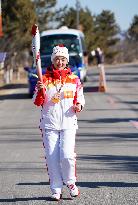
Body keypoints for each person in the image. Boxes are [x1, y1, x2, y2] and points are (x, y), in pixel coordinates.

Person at [33, 44, 85, 201]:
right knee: (52, 157)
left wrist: (78, 105)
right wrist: (40, 90)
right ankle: (56, 188)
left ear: (66, 61)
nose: (60, 62)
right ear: (53, 60)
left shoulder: (74, 79)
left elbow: (80, 98)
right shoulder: (44, 79)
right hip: (50, 124)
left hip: (68, 123)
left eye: (63, 59)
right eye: (57, 59)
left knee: (67, 156)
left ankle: (70, 183)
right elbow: (37, 102)